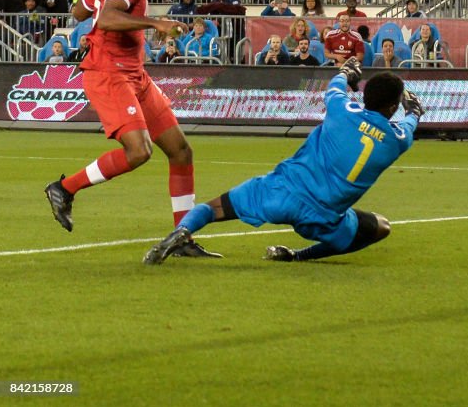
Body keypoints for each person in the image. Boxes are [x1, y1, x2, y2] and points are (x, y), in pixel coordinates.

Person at [43, 0, 219, 257]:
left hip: (134, 74)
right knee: (139, 151)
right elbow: (107, 18)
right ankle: (63, 188)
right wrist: (156, 23)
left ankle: (182, 238)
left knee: (181, 151)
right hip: (109, 73)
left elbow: (79, 11)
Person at [144, 64, 425, 265]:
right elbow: (410, 123)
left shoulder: (343, 109)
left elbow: (336, 85)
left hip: (282, 190)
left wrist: (346, 72)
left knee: (213, 207)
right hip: (322, 218)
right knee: (381, 227)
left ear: (364, 97)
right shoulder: (396, 139)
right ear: (392, 108)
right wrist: (412, 109)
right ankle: (295, 256)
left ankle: (181, 232)